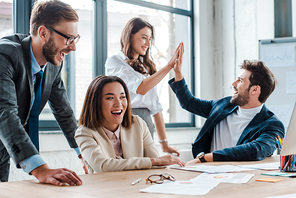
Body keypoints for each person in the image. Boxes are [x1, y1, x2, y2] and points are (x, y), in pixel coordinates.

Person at [0, 0, 87, 185]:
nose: (73, 47)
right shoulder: (4, 55)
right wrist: (41, 169)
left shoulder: (53, 65)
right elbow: (4, 113)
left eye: (75, 39)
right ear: (43, 33)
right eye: (68, 39)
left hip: (3, 151)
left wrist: (84, 152)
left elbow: (64, 111)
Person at [169, 59, 285, 163]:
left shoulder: (272, 125)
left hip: (240, 179)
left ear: (255, 90)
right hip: (206, 173)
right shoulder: (224, 105)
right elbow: (189, 103)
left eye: (240, 80)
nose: (233, 84)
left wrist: (207, 158)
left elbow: (256, 150)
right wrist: (178, 73)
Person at [105, 17, 184, 156]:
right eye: (144, 38)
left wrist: (164, 144)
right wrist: (169, 66)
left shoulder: (144, 66)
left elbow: (155, 106)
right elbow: (141, 88)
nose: (148, 43)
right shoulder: (114, 61)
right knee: (130, 168)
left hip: (146, 122)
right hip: (126, 121)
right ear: (130, 36)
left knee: (148, 170)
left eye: (150, 39)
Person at [75, 75, 185, 173]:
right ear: (95, 103)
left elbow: (156, 165)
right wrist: (153, 161)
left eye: (123, 97)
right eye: (110, 98)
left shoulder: (137, 123)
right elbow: (103, 166)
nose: (119, 104)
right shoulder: (84, 132)